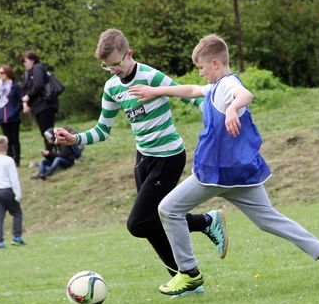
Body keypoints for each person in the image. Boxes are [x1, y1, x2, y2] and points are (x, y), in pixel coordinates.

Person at [129, 34, 319, 297]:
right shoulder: (216, 86)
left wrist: (233, 108)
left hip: (217, 174)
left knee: (167, 209)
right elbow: (190, 90)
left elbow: (245, 94)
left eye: (201, 68)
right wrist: (157, 91)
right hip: (240, 174)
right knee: (269, 220)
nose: (200, 74)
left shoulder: (229, 84)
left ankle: (188, 273)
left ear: (215, 63)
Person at [53, 29, 228, 284]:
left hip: (168, 157)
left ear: (129, 54)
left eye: (116, 64)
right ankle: (185, 281)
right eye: (106, 66)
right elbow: (103, 130)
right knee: (150, 224)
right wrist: (75, 139)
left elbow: (193, 99)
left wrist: (224, 117)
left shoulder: (151, 76)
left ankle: (205, 222)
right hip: (143, 159)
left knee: (138, 223)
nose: (113, 70)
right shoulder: (112, 87)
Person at [0, 135, 26, 249]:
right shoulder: (9, 160)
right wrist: (18, 193)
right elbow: (14, 179)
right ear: (7, 147)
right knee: (17, 213)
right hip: (7, 190)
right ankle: (17, 236)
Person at [21, 51, 59, 151]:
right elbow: (25, 89)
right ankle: (51, 153)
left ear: (32, 60)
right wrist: (25, 102)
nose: (24, 64)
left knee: (47, 131)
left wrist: (28, 96)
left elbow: (38, 84)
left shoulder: (38, 68)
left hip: (45, 104)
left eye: (25, 61)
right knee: (44, 132)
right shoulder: (28, 73)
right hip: (38, 106)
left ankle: (56, 153)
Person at [0, 64, 23, 167]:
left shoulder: (15, 86)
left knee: (15, 139)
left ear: (8, 73)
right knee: (7, 140)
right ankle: (9, 159)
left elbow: (20, 101)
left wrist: (14, 112)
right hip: (2, 118)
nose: (0, 75)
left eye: (2, 72)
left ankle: (17, 159)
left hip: (13, 117)